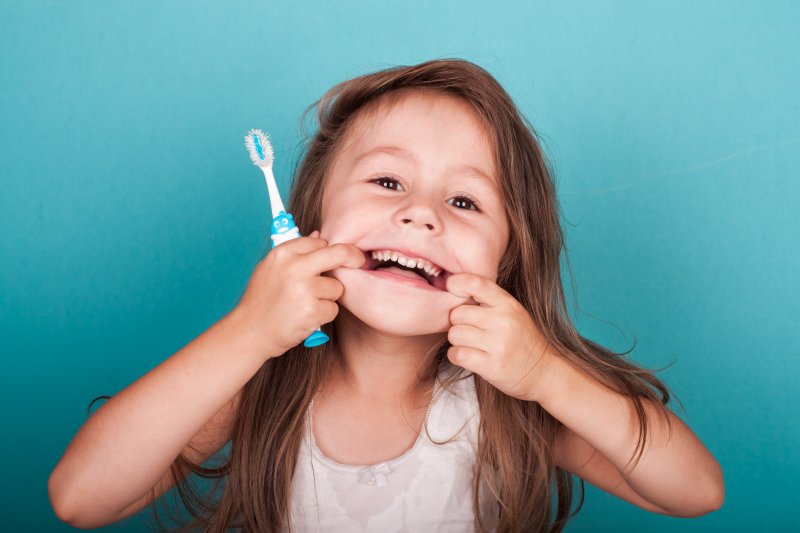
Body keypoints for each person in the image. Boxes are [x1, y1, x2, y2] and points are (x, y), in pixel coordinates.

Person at [48, 58, 724, 532]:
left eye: (464, 200)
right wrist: (248, 332)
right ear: (311, 218)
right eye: (388, 182)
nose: (423, 214)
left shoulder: (508, 404)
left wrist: (545, 373)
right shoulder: (259, 385)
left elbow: (695, 491)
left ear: (505, 264)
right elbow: (80, 498)